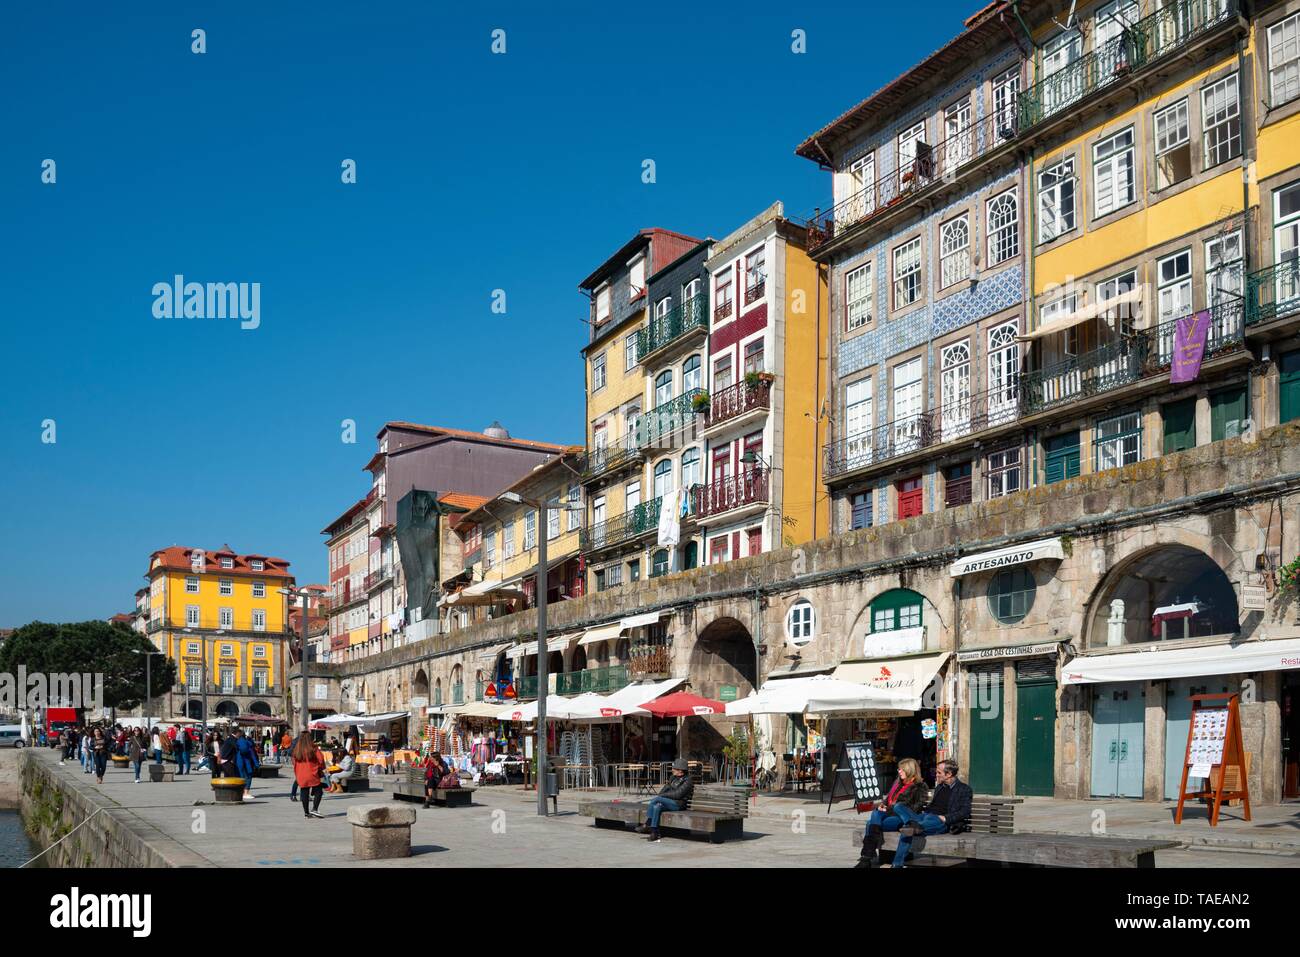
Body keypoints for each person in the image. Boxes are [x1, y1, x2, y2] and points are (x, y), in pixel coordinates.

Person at [890, 759, 973, 868]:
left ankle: (896, 865)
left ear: (949, 774)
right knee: (899, 806)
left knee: (908, 829)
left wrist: (946, 818)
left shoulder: (964, 789)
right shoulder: (940, 787)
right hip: (923, 817)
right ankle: (912, 824)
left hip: (939, 821)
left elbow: (965, 811)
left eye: (939, 772)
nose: (936, 775)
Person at [856, 757, 927, 869]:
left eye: (901, 769)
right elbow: (888, 799)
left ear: (909, 770)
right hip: (887, 813)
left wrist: (889, 809)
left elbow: (915, 808)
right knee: (876, 813)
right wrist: (883, 805)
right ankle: (867, 857)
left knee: (870, 823)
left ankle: (866, 858)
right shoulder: (898, 782)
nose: (899, 771)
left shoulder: (919, 786)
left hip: (901, 818)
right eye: (899, 769)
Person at [636, 758, 694, 843]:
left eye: (674, 768)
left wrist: (661, 797)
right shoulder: (673, 778)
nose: (672, 770)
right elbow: (665, 788)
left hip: (678, 804)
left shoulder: (687, 781)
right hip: (669, 802)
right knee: (656, 807)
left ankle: (647, 824)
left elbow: (678, 795)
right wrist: (661, 796)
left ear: (681, 770)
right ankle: (654, 832)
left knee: (656, 799)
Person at [292, 732, 326, 819]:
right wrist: (321, 768)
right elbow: (321, 760)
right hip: (312, 772)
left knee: (304, 791)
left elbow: (293, 761)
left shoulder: (297, 749)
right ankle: (314, 809)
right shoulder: (313, 748)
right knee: (319, 790)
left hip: (301, 773)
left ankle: (306, 813)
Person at [234, 728, 259, 800]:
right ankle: (246, 792)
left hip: (239, 761)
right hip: (247, 761)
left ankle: (241, 792)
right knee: (248, 776)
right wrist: (256, 764)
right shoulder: (247, 742)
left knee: (241, 776)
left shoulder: (237, 742)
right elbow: (252, 754)